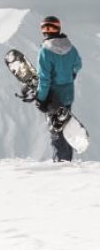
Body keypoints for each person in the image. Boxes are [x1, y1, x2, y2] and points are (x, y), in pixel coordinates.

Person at [35, 15, 82, 162]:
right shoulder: (71, 48)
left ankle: (61, 165)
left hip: (52, 97)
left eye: (50, 27)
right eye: (45, 27)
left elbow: (44, 79)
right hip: (67, 94)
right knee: (66, 127)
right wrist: (70, 75)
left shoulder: (45, 51)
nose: (48, 31)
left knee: (56, 131)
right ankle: (66, 160)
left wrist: (41, 98)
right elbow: (78, 65)